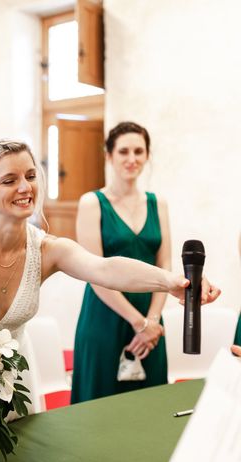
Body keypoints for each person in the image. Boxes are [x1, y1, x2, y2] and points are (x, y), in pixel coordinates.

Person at [0, 139, 219, 362]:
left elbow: (105, 269)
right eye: (10, 180)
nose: (25, 188)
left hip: (15, 385)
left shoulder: (48, 250)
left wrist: (171, 281)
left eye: (31, 176)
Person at [70, 122, 175, 402]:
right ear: (109, 156)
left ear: (147, 155)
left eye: (139, 151)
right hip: (105, 315)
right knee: (99, 406)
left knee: (149, 406)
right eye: (124, 151)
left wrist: (151, 322)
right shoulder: (92, 203)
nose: (132, 159)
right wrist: (138, 322)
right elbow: (93, 272)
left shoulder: (158, 203)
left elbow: (165, 268)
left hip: (151, 321)